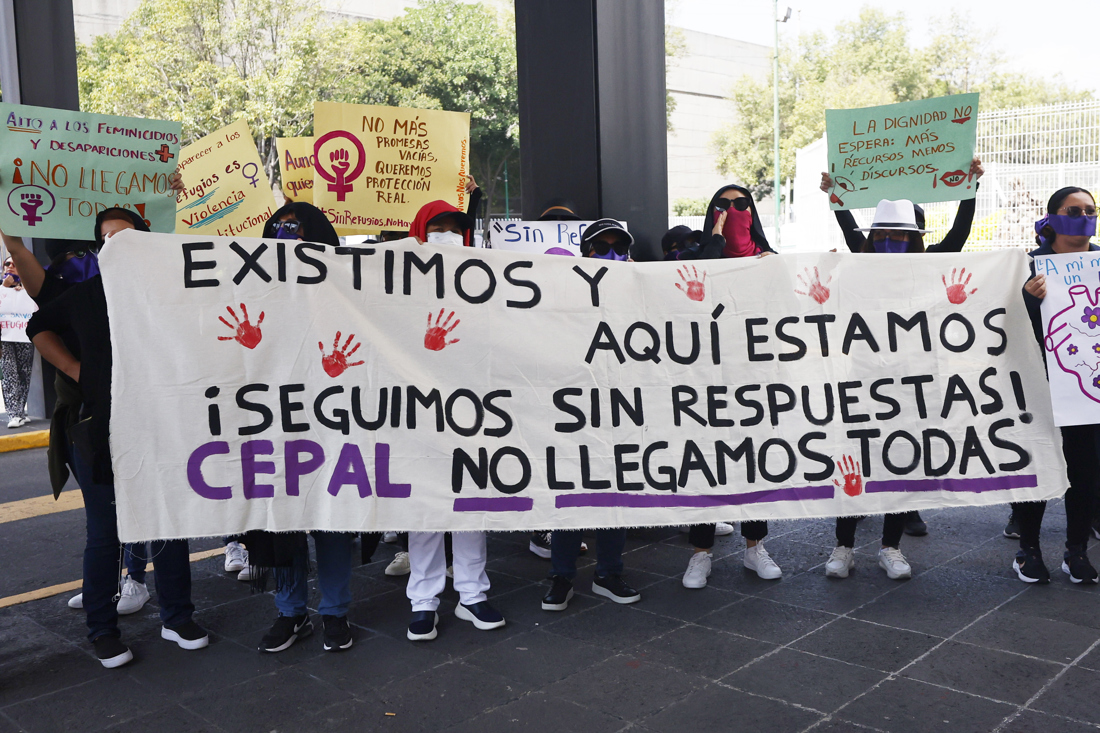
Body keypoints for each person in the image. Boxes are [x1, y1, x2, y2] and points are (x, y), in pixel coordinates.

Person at [27, 235, 209, 668]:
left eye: (127, 235)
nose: (117, 244)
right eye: (107, 237)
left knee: (167, 522)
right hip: (99, 428)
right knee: (106, 531)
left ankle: (177, 618)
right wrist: (75, 369)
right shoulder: (86, 294)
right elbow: (38, 326)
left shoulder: (171, 291)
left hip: (161, 425)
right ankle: (103, 630)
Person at [818, 159, 984, 579]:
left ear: (914, 238)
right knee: (855, 460)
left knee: (901, 459)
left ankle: (890, 547)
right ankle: (843, 546)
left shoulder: (929, 264)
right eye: (882, 235)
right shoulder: (862, 262)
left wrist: (970, 188)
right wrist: (835, 194)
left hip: (913, 380)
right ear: (872, 238)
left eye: (899, 235)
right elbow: (847, 226)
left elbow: (959, 234)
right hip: (864, 378)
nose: (889, 241)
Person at [251, 203, 356, 653]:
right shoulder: (256, 290)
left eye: (294, 227)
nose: (285, 234)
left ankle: (334, 612)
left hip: (332, 425)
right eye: (277, 228)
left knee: (332, 522)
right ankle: (290, 612)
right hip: (275, 424)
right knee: (283, 522)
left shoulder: (345, 289)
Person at [404, 199, 505, 641]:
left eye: (452, 228)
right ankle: (423, 600)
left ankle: (471, 593)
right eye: (437, 228)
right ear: (419, 232)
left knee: (470, 503)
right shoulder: (397, 281)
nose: (446, 235)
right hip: (417, 411)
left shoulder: (483, 278)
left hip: (471, 410)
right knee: (424, 506)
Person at [681, 184, 782, 589]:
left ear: (753, 212)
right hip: (705, 381)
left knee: (754, 463)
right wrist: (716, 239)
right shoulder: (694, 258)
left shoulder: (768, 260)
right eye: (722, 205)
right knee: (705, 463)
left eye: (741, 204)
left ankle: (755, 547)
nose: (732, 210)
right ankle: (700, 553)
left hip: (754, 381)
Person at [542, 220, 642, 611]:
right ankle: (562, 575)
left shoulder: (638, 291)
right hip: (571, 408)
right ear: (585, 253)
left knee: (614, 492)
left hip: (620, 408)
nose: (611, 255)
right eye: (602, 247)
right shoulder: (563, 295)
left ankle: (608, 572)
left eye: (619, 248)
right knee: (569, 492)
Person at [1010, 187, 1100, 584]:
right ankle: (1028, 550)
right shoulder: (1028, 267)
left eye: (1090, 210)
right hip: (1039, 386)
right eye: (1073, 211)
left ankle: (1075, 550)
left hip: (1086, 391)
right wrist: (1028, 301)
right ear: (1053, 217)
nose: (1084, 217)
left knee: (1085, 472)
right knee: (1039, 466)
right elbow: (1004, 325)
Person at [1, 255, 34, 427]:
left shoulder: (27, 289)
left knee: (24, 372)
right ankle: (13, 414)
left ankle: (20, 412)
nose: (10, 266)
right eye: (7, 264)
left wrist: (23, 288)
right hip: (4, 337)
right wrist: (4, 288)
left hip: (23, 336)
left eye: (14, 264)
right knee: (9, 373)